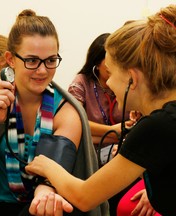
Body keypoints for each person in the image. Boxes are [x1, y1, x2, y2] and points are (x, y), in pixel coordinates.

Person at [0, 9, 107, 216]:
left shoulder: (66, 110)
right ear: (10, 59)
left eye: (51, 60)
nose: (42, 70)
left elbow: (49, 176)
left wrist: (44, 191)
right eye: (32, 61)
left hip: (47, 208)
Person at [26, 4, 176, 216]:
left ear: (132, 79)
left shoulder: (155, 127)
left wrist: (46, 166)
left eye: (112, 74)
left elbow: (84, 197)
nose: (110, 83)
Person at [68, 33, 143, 215]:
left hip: (121, 149)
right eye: (108, 65)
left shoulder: (126, 83)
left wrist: (135, 119)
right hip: (92, 149)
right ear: (96, 62)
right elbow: (74, 120)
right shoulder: (82, 83)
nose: (113, 70)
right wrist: (111, 130)